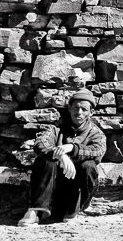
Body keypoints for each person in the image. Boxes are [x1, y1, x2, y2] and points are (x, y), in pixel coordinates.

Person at [18, 88, 106, 226]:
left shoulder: (96, 134)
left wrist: (72, 148)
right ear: (69, 108)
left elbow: (97, 151)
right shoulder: (56, 129)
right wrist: (61, 156)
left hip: (75, 190)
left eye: (84, 109)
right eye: (76, 108)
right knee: (45, 160)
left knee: (88, 166)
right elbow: (40, 143)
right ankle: (36, 211)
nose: (79, 112)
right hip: (52, 187)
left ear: (91, 112)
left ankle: (73, 210)